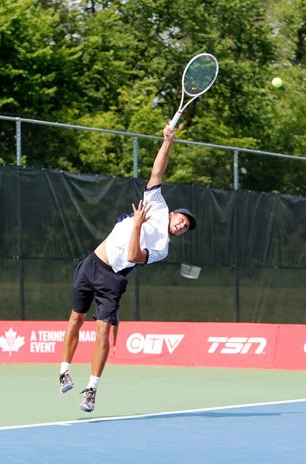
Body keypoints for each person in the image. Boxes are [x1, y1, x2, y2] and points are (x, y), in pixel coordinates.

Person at [58, 124, 196, 413]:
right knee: (75, 320)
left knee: (102, 333)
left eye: (185, 228)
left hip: (113, 279)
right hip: (92, 263)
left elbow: (133, 255)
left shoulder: (162, 248)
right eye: (182, 219)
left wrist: (136, 225)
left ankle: (91, 388)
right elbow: (158, 172)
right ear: (172, 213)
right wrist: (168, 141)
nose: (183, 225)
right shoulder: (156, 204)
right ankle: (64, 369)